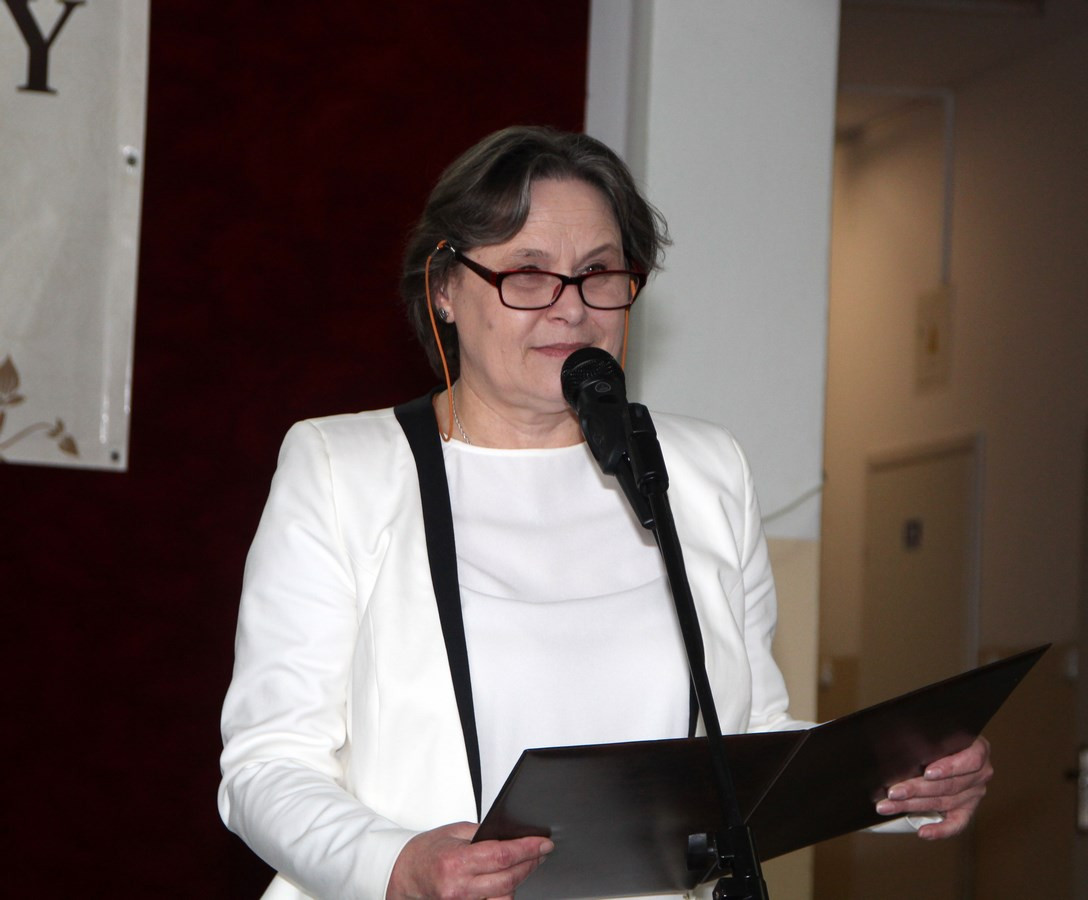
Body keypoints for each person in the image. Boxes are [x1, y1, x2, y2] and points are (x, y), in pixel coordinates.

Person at [218, 126, 992, 900]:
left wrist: (902, 777)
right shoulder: (342, 469)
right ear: (444, 287)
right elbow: (267, 763)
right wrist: (395, 865)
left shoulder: (702, 471)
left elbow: (748, 740)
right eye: (528, 274)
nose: (571, 309)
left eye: (598, 273)